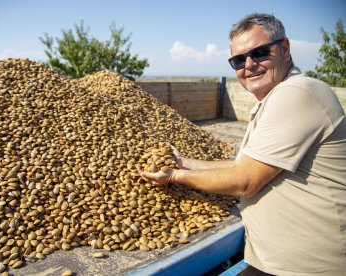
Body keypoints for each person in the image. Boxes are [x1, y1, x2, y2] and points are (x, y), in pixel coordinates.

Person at [137, 13, 346, 275]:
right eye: (238, 60)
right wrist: (185, 162)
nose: (249, 64)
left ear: (284, 49)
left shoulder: (297, 93)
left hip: (306, 267)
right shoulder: (274, 98)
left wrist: (175, 176)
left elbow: (245, 180)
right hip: (274, 261)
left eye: (259, 52)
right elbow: (243, 164)